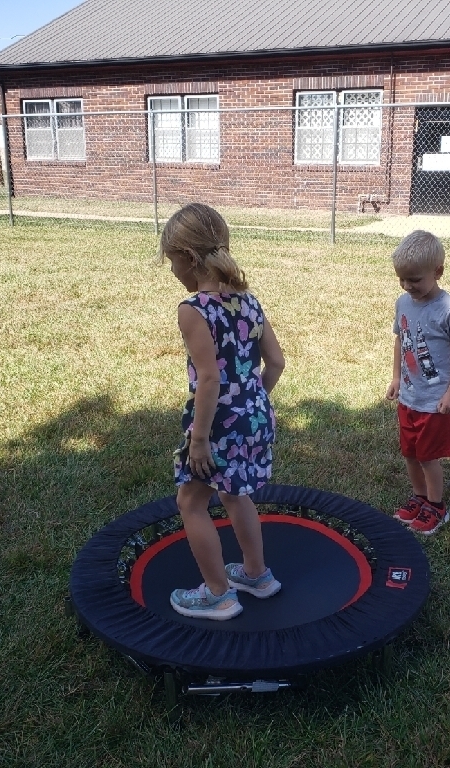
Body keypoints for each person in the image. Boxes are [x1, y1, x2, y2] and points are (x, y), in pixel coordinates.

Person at [160, 203, 286, 620]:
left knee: (191, 502)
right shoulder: (249, 302)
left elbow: (209, 379)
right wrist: (252, 401)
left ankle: (217, 594)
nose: (173, 271)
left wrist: (199, 439)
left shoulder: (193, 309)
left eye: (172, 261)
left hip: (216, 423)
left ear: (190, 259)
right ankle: (256, 574)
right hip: (256, 416)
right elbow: (277, 363)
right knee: (235, 492)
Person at [385, 230, 450, 536]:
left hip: (436, 402)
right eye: (403, 280)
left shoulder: (449, 308)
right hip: (409, 397)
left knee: (427, 455)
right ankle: (419, 497)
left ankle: (437, 505)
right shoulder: (403, 302)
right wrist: (396, 377)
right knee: (409, 453)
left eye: (415, 280)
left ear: (438, 272)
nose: (408, 286)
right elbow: (400, 340)